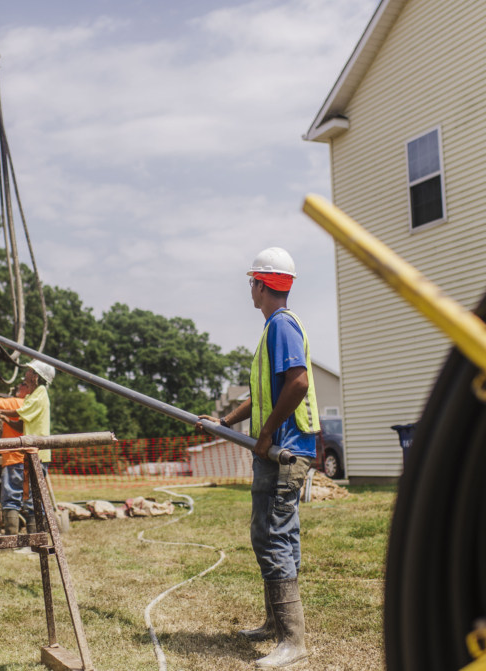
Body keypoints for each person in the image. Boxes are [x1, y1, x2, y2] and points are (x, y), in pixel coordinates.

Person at [197, 247, 319, 669]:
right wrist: (226, 421)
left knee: (272, 534)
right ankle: (275, 624)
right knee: (276, 532)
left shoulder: (280, 326)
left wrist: (265, 435)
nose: (249, 287)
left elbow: (298, 384)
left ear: (262, 284)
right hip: (282, 449)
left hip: (282, 451)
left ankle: (293, 641)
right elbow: (266, 395)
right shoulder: (275, 329)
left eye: (252, 281)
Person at [0, 360, 54, 546]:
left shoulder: (37, 395)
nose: (23, 377)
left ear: (35, 377)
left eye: (28, 373)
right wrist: (0, 415)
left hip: (32, 455)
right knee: (27, 498)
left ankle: (30, 542)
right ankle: (25, 542)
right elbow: (21, 424)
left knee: (21, 498)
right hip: (29, 455)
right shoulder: (33, 397)